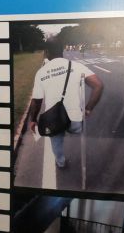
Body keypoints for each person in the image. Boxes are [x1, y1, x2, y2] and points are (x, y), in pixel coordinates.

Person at [28, 39, 104, 169]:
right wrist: (88, 109)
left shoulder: (41, 73)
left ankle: (61, 162)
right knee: (75, 125)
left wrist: (33, 120)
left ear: (46, 52)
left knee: (56, 140)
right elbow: (98, 85)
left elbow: (37, 101)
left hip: (54, 121)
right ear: (62, 50)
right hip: (75, 122)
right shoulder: (76, 66)